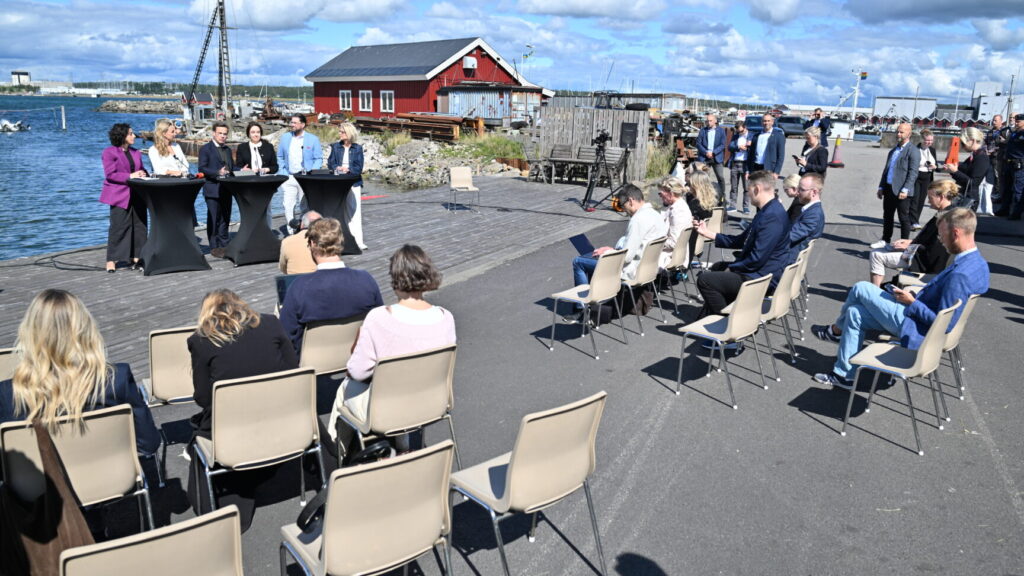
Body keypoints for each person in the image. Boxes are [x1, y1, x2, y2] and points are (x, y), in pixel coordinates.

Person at [812, 208, 989, 389]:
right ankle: (843, 375)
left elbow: (944, 323)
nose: (940, 240)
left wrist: (912, 302)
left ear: (956, 233)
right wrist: (913, 297)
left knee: (860, 288)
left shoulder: (960, 275)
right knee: (854, 313)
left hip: (915, 325)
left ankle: (835, 331)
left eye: (942, 234)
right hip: (916, 317)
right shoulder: (978, 264)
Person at [186, 289, 297, 530]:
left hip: (233, 427)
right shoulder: (270, 323)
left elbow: (204, 398)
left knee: (199, 434)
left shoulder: (201, 340)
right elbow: (293, 367)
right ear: (242, 306)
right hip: (282, 416)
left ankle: (212, 514)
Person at [0, 289, 159, 457]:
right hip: (113, 480)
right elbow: (149, 444)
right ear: (85, 329)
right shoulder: (116, 379)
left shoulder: (8, 393)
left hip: (43, 483)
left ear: (29, 333)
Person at [328, 245, 456, 453]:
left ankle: (337, 456)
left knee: (345, 387)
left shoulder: (379, 318)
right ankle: (402, 448)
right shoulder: (446, 317)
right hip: (433, 401)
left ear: (395, 277)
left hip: (388, 408)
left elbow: (357, 372)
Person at [692, 170, 792, 319]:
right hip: (759, 271)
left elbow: (757, 258)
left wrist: (732, 269)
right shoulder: (767, 211)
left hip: (761, 278)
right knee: (717, 267)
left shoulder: (772, 217)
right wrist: (710, 234)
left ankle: (728, 326)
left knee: (705, 280)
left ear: (757, 189)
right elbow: (740, 240)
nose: (747, 193)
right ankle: (717, 314)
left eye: (748, 189)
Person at [565, 184, 667, 323]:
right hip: (648, 269)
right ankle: (594, 301)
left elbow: (627, 257)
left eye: (623, 205)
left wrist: (608, 253)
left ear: (631, 201)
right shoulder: (656, 214)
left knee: (579, 262)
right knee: (593, 258)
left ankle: (581, 309)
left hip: (632, 270)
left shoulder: (638, 220)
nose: (624, 210)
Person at [279, 217, 383, 353]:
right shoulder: (365, 280)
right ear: (341, 242)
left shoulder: (299, 288)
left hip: (312, 365)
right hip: (356, 357)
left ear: (312, 244)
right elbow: (378, 324)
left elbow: (285, 336)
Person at [866, 179, 958, 287]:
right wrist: (909, 242)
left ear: (941, 197)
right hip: (920, 254)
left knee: (876, 255)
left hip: (922, 261)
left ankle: (874, 292)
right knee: (884, 250)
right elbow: (929, 241)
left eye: (930, 198)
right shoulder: (949, 213)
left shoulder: (945, 219)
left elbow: (933, 251)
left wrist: (910, 246)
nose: (928, 201)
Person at [100, 122, 148, 273]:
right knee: (118, 227)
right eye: (131, 133)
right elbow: (111, 174)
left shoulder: (136, 152)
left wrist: (143, 173)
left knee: (140, 226)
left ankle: (138, 257)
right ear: (122, 136)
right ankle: (111, 260)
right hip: (119, 195)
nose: (134, 136)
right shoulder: (109, 152)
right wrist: (130, 176)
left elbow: (141, 169)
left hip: (138, 194)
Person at [276, 114, 323, 234]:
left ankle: (303, 230)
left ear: (302, 124)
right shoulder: (285, 138)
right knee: (288, 205)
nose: (292, 125)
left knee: (304, 206)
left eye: (295, 123)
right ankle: (291, 231)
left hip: (305, 178)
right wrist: (283, 172)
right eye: (291, 122)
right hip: (289, 176)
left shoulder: (313, 139)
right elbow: (280, 156)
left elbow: (318, 158)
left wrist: (312, 172)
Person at [876, 122, 920, 244]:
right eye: (898, 131)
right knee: (888, 216)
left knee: (903, 218)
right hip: (889, 188)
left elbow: (913, 172)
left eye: (901, 132)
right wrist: (881, 186)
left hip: (903, 191)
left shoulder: (913, 151)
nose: (898, 134)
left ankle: (904, 243)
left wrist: (905, 189)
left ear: (909, 134)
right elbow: (887, 170)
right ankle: (885, 240)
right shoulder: (893, 150)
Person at [326, 122, 367, 250]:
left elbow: (358, 168)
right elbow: (330, 163)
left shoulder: (357, 148)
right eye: (339, 131)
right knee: (339, 211)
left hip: (353, 183)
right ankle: (341, 240)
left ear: (349, 133)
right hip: (338, 182)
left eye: (342, 132)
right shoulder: (335, 147)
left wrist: (348, 169)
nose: (340, 134)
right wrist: (336, 167)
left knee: (354, 212)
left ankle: (358, 241)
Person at [197, 121, 235, 257]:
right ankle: (214, 246)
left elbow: (230, 167)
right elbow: (202, 168)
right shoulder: (205, 149)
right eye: (220, 133)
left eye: (225, 134)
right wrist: (217, 172)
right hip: (212, 188)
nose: (223, 136)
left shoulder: (228, 150)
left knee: (225, 217)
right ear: (214, 133)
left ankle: (225, 244)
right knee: (213, 218)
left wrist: (241, 170)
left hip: (226, 189)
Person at [945, 127, 990, 213]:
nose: (962, 146)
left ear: (972, 140)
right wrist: (954, 166)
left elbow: (973, 183)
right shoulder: (975, 155)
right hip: (965, 196)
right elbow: (965, 168)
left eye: (963, 143)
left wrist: (955, 171)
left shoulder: (982, 158)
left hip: (969, 199)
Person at [656, 176, 693, 269]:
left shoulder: (678, 212)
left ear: (670, 193)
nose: (660, 196)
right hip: (673, 252)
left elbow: (674, 242)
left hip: (670, 256)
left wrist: (653, 242)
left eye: (661, 193)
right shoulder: (677, 206)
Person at [788, 173, 825, 262]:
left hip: (788, 259)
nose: (797, 192)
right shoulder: (810, 210)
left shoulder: (813, 215)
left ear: (814, 192)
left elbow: (790, 237)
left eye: (802, 189)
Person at [695, 113, 727, 202]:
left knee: (720, 177)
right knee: (704, 178)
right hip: (705, 157)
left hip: (716, 157)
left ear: (715, 121)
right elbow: (698, 143)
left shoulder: (721, 131)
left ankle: (722, 196)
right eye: (707, 121)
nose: (708, 122)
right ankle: (705, 196)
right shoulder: (703, 131)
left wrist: (713, 152)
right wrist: (706, 152)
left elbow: (723, 144)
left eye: (710, 121)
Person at [910, 129, 938, 228]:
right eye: (927, 140)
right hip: (916, 176)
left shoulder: (932, 150)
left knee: (921, 200)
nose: (929, 142)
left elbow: (936, 165)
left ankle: (915, 220)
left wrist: (935, 167)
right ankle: (913, 221)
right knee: (915, 199)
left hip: (927, 177)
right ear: (922, 139)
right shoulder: (915, 149)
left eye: (931, 140)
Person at [278, 210, 321, 275]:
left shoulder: (286, 241)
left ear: (302, 225)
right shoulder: (325, 240)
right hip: (319, 279)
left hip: (294, 281)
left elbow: (283, 268)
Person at [748, 114, 786, 178]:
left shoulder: (779, 136)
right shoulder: (756, 136)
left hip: (769, 169)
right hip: (755, 167)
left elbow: (781, 156)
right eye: (764, 121)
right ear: (761, 122)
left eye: (768, 121)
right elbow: (751, 154)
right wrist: (748, 170)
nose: (766, 123)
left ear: (772, 122)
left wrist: (777, 172)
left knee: (767, 188)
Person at [985, 115, 1009, 205]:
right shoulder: (990, 132)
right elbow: (986, 142)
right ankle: (992, 193)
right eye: (993, 120)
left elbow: (1005, 144)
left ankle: (998, 194)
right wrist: (986, 149)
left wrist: (994, 149)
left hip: (998, 157)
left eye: (995, 120)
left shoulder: (1004, 131)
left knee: (998, 176)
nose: (993, 122)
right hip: (989, 157)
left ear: (1001, 121)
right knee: (990, 176)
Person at [727, 121, 750, 213]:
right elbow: (730, 147)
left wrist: (749, 146)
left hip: (746, 164)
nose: (739, 133)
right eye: (738, 131)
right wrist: (738, 147)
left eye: (741, 131)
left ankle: (746, 207)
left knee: (747, 187)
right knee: (733, 186)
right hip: (735, 163)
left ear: (745, 127)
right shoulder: (736, 136)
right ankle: (732, 205)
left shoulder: (751, 136)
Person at [1005, 114, 1024, 220]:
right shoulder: (1015, 133)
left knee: (1018, 190)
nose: (1016, 123)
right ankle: (1005, 209)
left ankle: (1016, 213)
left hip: (1019, 165)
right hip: (1009, 163)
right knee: (1007, 188)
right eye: (1016, 121)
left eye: (1019, 121)